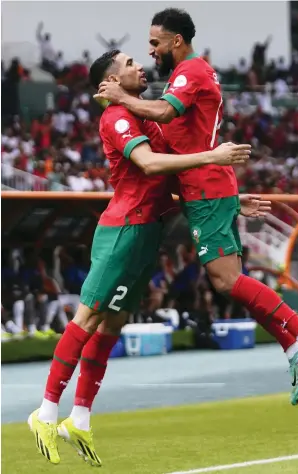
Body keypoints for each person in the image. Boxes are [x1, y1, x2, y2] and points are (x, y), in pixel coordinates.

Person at [95, 8, 298, 407]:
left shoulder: (190, 72)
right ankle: (294, 348)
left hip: (205, 188)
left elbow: (165, 112)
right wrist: (233, 200)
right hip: (204, 190)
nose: (150, 51)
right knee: (229, 281)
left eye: (155, 43)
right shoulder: (186, 74)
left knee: (225, 281)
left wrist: (119, 97)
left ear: (176, 41)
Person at [27, 49, 252, 466]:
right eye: (129, 63)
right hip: (123, 230)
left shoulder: (145, 116)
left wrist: (231, 202)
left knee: (111, 325)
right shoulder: (116, 118)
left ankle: (79, 417)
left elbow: (175, 179)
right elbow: (149, 165)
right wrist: (213, 156)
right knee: (88, 318)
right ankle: (44, 412)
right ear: (111, 81)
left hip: (148, 233)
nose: (139, 66)